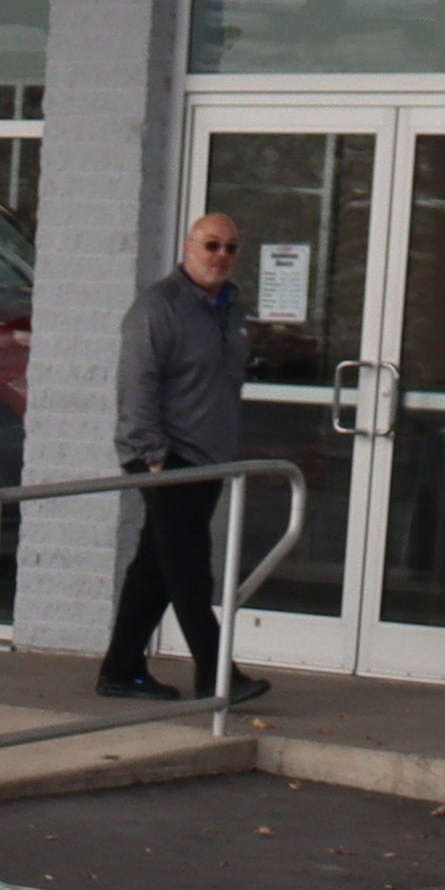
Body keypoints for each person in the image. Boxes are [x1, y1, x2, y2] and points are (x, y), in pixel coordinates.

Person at [103, 213, 271, 702]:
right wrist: (154, 456)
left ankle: (120, 670)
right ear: (188, 246)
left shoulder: (230, 311)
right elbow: (136, 386)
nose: (221, 256)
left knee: (155, 567)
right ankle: (216, 674)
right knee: (189, 568)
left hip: (208, 458)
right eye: (211, 245)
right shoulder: (157, 309)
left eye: (231, 248)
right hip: (166, 457)